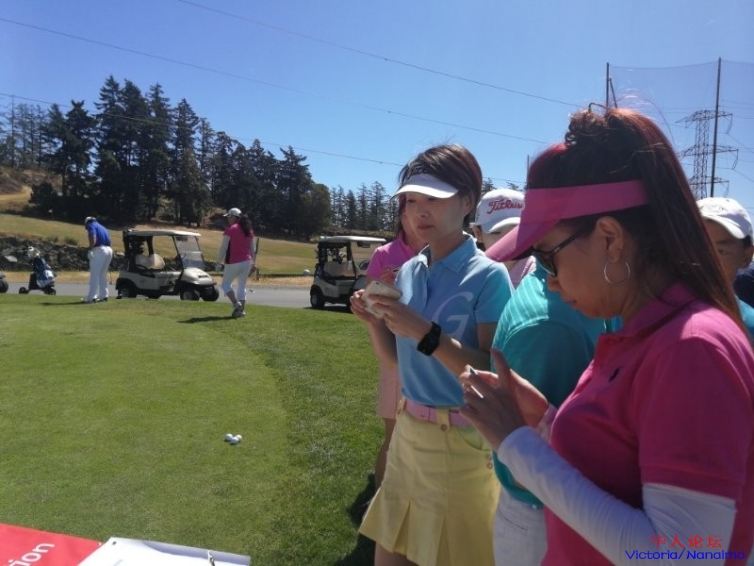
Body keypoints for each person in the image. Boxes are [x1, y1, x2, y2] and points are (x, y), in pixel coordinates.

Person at [461, 106, 754, 565]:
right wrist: (547, 423)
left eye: (548, 257)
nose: (549, 282)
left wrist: (518, 447)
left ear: (611, 239)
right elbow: (620, 467)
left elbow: (682, 556)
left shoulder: (691, 347)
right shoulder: (647, 331)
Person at [350, 144, 512, 566]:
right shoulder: (409, 271)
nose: (419, 211)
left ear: (467, 201)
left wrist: (424, 332)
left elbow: (493, 372)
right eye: (411, 200)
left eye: (434, 199)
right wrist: (373, 321)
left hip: (461, 444)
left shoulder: (489, 276)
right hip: (409, 434)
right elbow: (396, 362)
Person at [482, 257, 608, 565]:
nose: (554, 282)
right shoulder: (551, 325)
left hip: (560, 515)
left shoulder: (577, 299)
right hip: (547, 521)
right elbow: (529, 476)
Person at [365, 196, 425, 490]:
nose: (418, 216)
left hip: (429, 351)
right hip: (393, 348)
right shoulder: (385, 253)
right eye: (409, 210)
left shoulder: (440, 249)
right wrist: (386, 288)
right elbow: (369, 304)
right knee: (393, 432)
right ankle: (379, 502)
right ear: (402, 216)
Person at [697, 197, 754, 337]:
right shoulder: (653, 313)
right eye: (695, 247)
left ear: (746, 257)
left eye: (721, 251)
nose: (703, 259)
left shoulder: (749, 327)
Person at [470, 188, 535, 288]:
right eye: (496, 232)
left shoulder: (538, 275)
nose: (507, 240)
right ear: (478, 234)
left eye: (516, 232)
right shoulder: (467, 271)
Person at [216, 207, 256, 318]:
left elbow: (223, 248)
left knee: (225, 284)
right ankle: (241, 311)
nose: (228, 219)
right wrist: (253, 262)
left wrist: (218, 262)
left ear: (235, 217)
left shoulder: (230, 229)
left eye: (229, 217)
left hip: (233, 261)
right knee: (242, 285)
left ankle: (235, 303)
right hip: (247, 261)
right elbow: (252, 250)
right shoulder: (248, 230)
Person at [84, 216, 113, 303]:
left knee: (95, 275)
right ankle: (104, 296)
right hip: (109, 250)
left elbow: (93, 236)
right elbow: (110, 240)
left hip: (99, 250)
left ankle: (92, 298)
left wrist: (90, 249)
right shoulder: (102, 227)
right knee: (103, 275)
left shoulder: (90, 225)